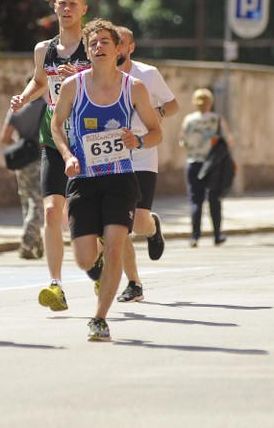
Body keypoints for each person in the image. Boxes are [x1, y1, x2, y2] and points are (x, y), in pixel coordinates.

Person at [51, 18, 162, 340]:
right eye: (93, 43)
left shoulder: (135, 88)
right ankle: (99, 255)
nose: (98, 47)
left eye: (105, 42)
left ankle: (99, 318)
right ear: (87, 51)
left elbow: (157, 133)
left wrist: (138, 141)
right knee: (86, 258)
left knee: (115, 248)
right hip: (83, 179)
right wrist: (68, 155)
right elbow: (57, 125)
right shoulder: (74, 86)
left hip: (120, 179)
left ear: (118, 51)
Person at [9, 0, 90, 312]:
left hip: (89, 139)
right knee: (53, 211)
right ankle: (56, 285)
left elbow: (110, 84)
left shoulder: (94, 46)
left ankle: (98, 265)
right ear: (54, 7)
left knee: (86, 217)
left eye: (73, 3)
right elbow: (40, 81)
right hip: (53, 137)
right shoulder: (45, 49)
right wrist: (24, 97)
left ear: (84, 9)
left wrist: (81, 76)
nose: (66, 8)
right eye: (61, 3)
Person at [114, 26, 179, 303]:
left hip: (142, 153)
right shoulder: (96, 76)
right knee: (118, 224)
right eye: (111, 43)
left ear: (131, 47)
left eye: (121, 44)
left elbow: (173, 104)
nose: (116, 49)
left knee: (139, 224)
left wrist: (159, 112)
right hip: (111, 157)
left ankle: (152, 226)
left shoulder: (148, 74)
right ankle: (134, 283)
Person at [178, 88, 234, 248]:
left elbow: (182, 141)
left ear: (195, 103)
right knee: (214, 199)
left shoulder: (189, 120)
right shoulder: (217, 120)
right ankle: (217, 235)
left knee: (195, 200)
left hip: (193, 163)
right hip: (213, 166)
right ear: (211, 102)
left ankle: (194, 236)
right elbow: (229, 141)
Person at [0, 95, 46, 260]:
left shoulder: (16, 109)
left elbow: (5, 137)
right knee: (37, 202)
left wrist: (22, 144)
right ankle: (27, 242)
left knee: (27, 202)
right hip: (41, 160)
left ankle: (37, 243)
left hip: (22, 161)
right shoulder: (46, 108)